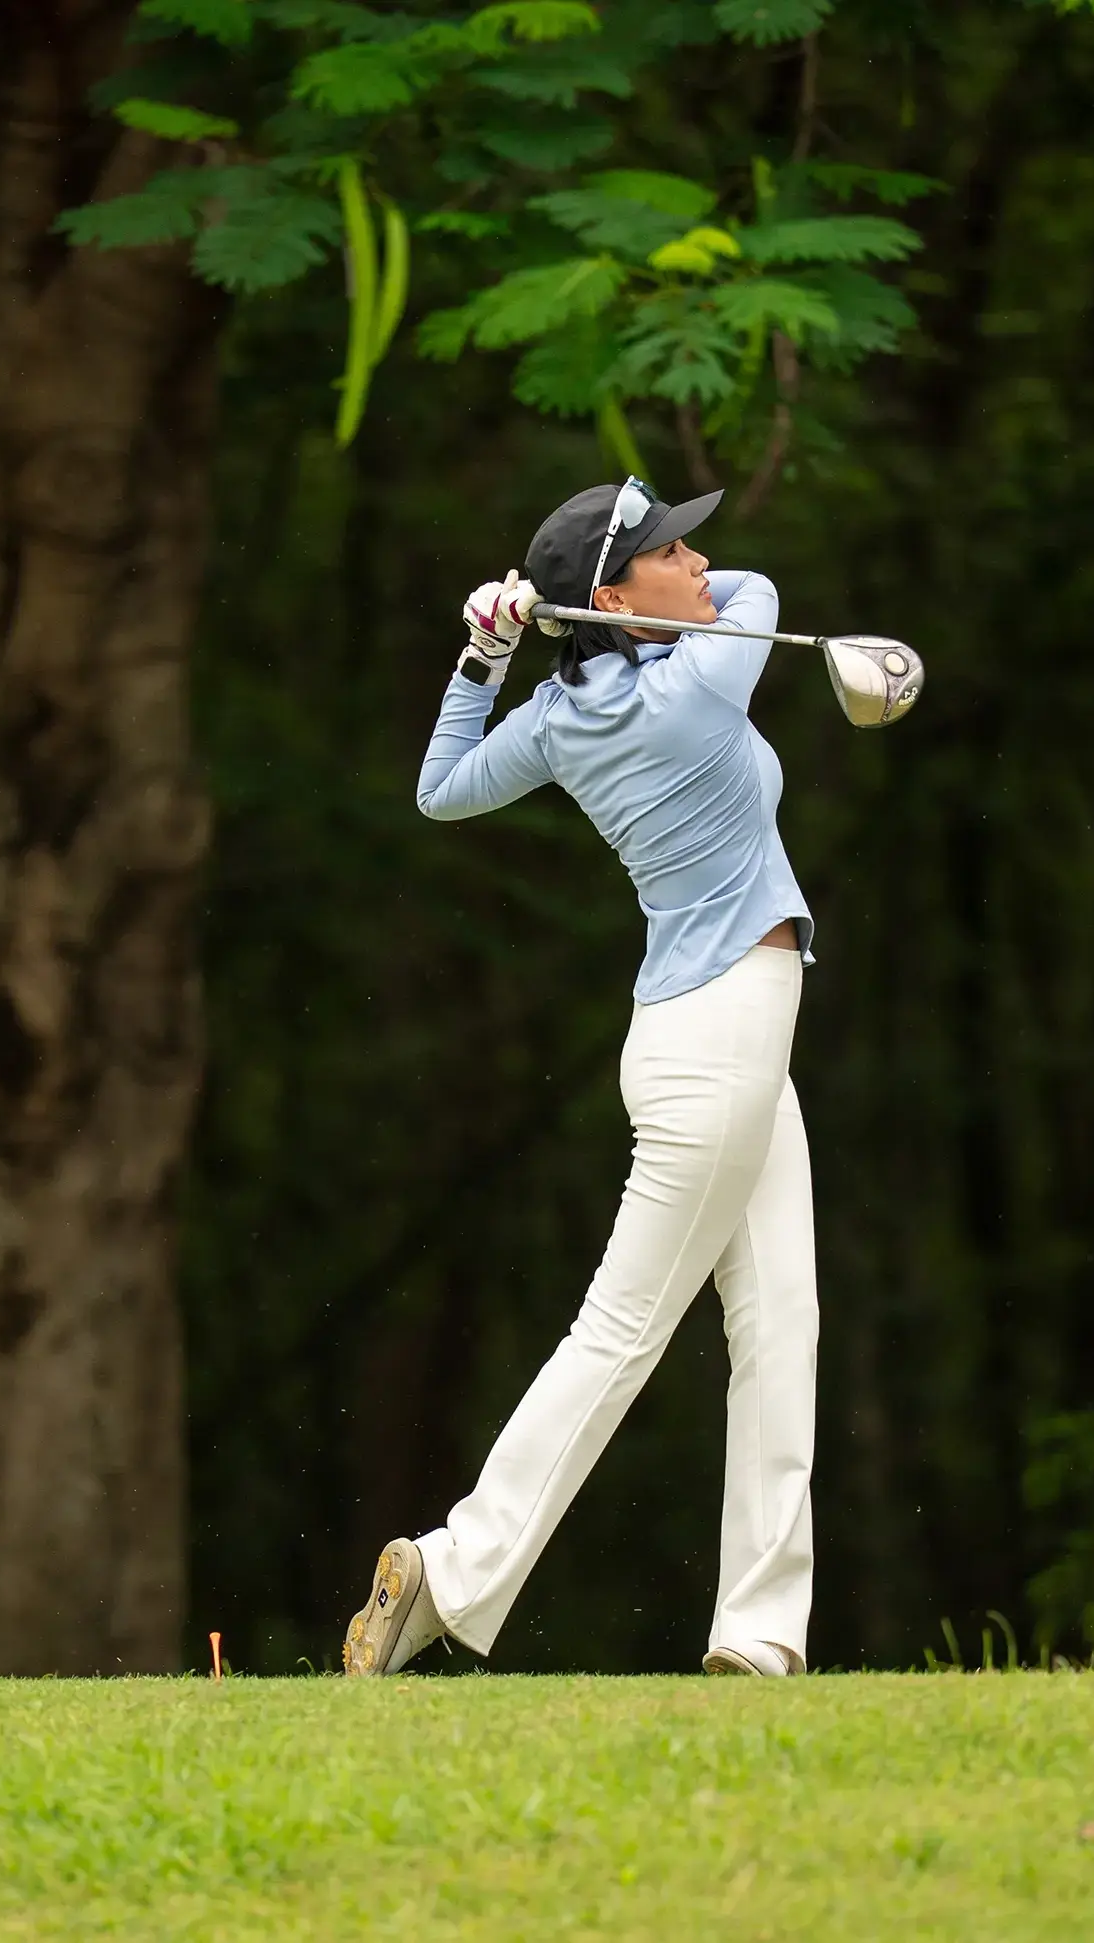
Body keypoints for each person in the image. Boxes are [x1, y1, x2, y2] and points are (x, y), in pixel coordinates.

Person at [342, 477, 819, 1680]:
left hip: (709, 1035)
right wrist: (583, 624)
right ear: (612, 591)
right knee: (621, 1330)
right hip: (719, 1038)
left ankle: (759, 1630)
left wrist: (483, 653)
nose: (699, 557)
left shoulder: (571, 711)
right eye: (666, 547)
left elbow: (439, 786)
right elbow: (757, 596)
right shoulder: (703, 673)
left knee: (781, 1325)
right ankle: (453, 1565)